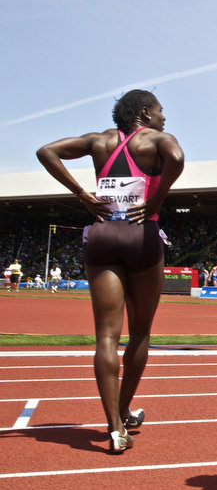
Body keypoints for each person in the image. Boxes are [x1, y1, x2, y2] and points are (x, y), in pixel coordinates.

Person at [36, 89, 184, 453]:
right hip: (142, 234)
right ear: (145, 113)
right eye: (161, 111)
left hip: (102, 235)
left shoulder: (98, 141)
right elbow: (177, 158)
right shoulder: (158, 139)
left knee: (106, 335)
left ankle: (117, 425)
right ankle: (121, 409)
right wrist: (156, 199)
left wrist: (82, 195)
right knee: (140, 333)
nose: (165, 118)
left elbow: (46, 151)